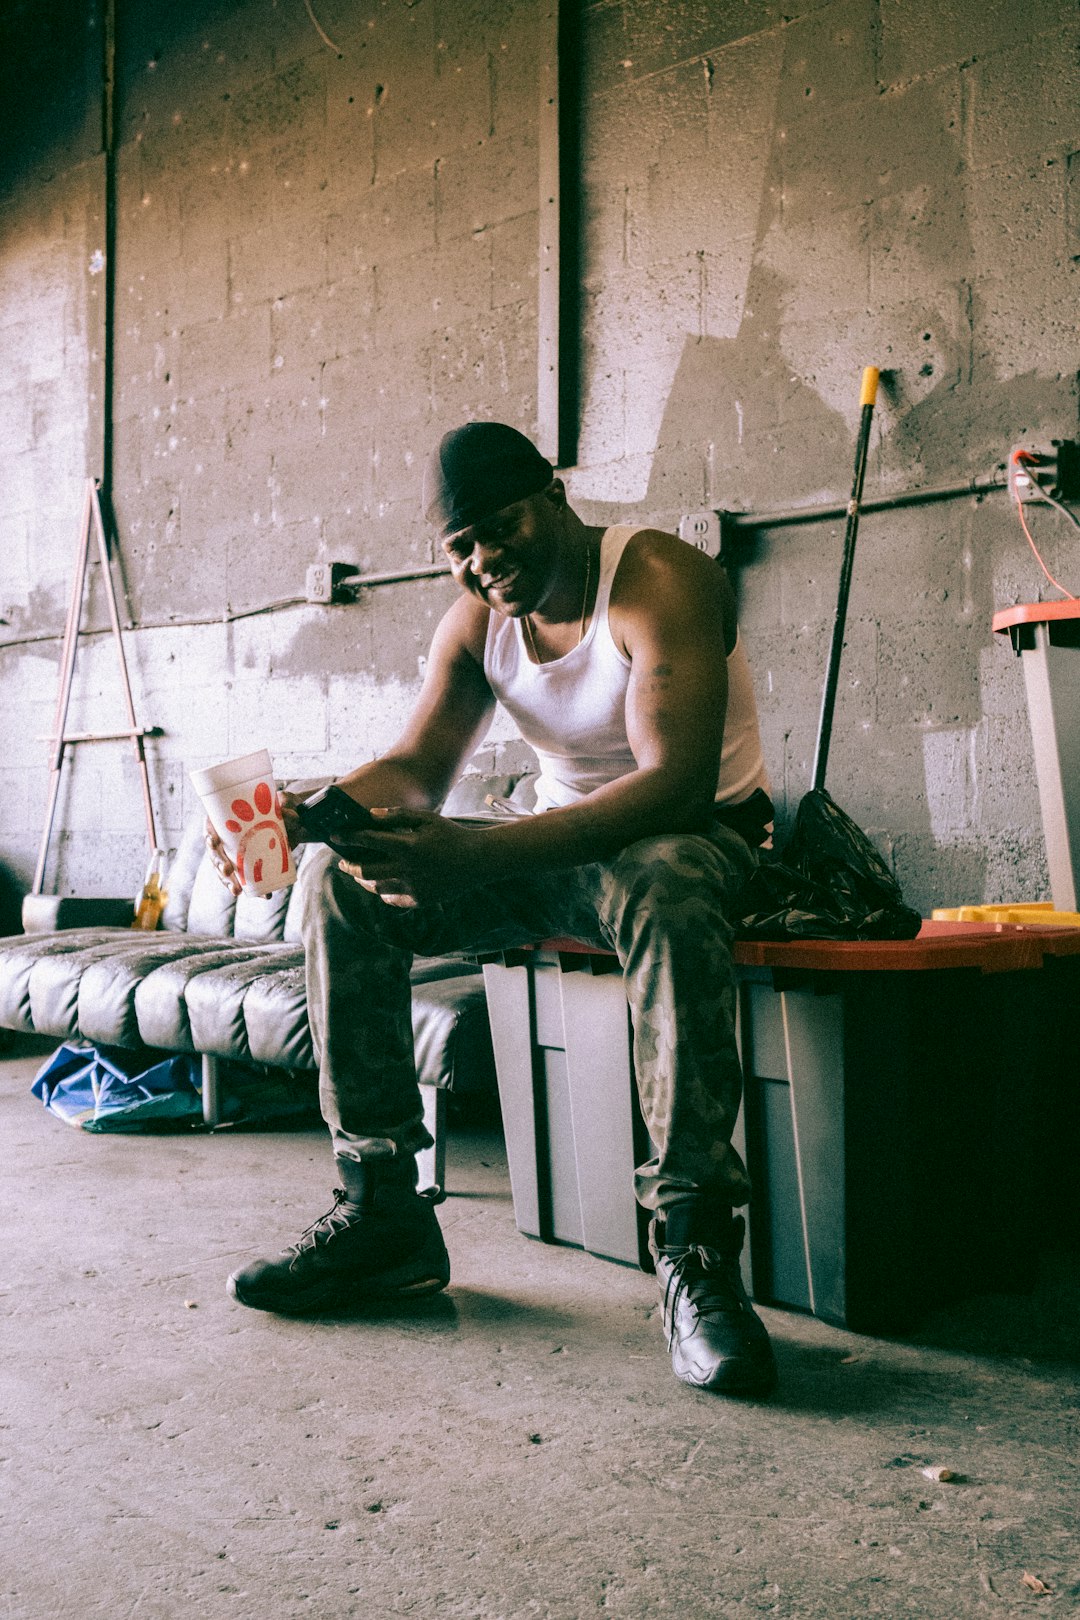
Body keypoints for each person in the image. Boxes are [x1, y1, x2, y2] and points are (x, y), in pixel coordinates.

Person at [211, 421, 778, 1396]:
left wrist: (472, 859)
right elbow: (420, 769)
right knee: (341, 883)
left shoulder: (657, 579)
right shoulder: (477, 623)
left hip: (700, 843)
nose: (484, 561)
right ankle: (383, 1208)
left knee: (664, 876)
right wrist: (326, 810)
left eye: (498, 527)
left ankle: (696, 1257)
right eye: (460, 548)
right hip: (557, 847)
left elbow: (674, 788)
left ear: (553, 494)